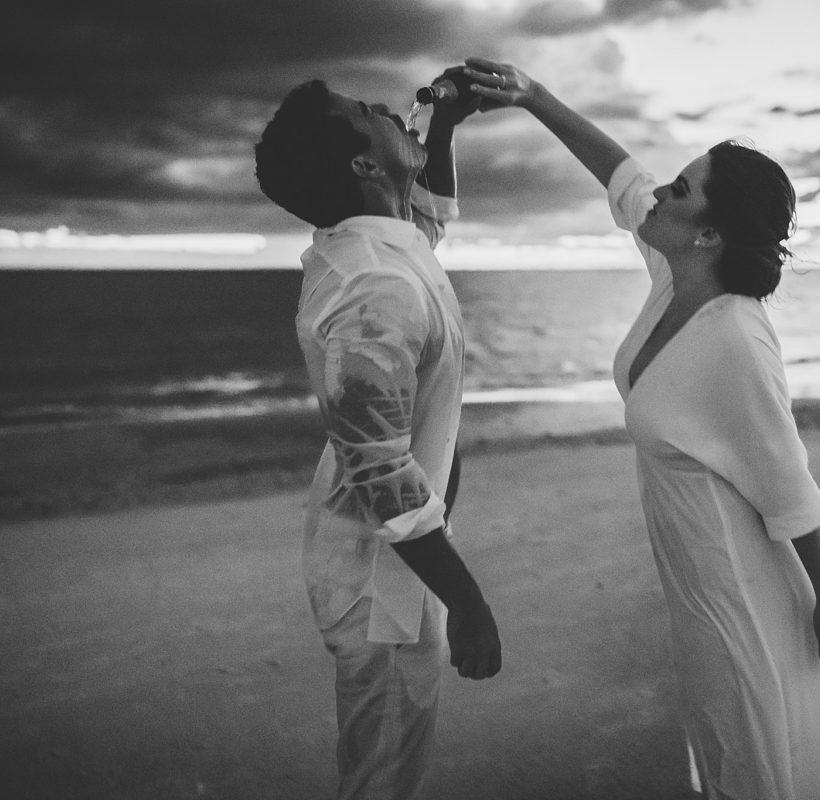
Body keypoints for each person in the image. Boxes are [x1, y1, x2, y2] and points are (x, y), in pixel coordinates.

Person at [464, 58, 820, 800]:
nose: (662, 192)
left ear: (709, 235)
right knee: (729, 749)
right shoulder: (676, 274)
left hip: (739, 584)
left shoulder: (736, 339)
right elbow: (622, 174)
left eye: (682, 190)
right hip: (693, 574)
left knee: (757, 762)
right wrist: (534, 98)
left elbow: (787, 482)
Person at [253, 74, 502, 800]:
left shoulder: (383, 245)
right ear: (365, 166)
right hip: (379, 578)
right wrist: (469, 602)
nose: (390, 109)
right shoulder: (372, 291)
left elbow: (425, 219)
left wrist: (444, 126)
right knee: (384, 776)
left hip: (394, 559)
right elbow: (383, 482)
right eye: (368, 113)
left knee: (392, 763)